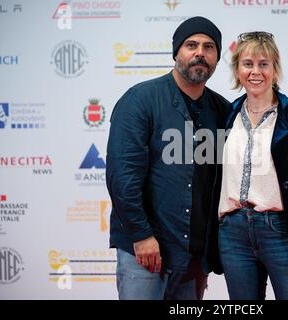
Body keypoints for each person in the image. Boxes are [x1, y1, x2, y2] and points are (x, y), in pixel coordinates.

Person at [106, 16, 230, 300]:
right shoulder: (140, 100)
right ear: (177, 52)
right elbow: (122, 177)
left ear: (217, 57)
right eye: (191, 45)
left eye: (209, 47)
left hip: (194, 257)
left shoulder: (222, 110)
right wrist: (141, 235)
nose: (200, 52)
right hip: (146, 250)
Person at [217, 31, 288, 300]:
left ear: (275, 69)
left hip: (281, 231)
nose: (256, 72)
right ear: (237, 70)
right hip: (233, 234)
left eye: (263, 64)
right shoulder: (226, 115)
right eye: (248, 64)